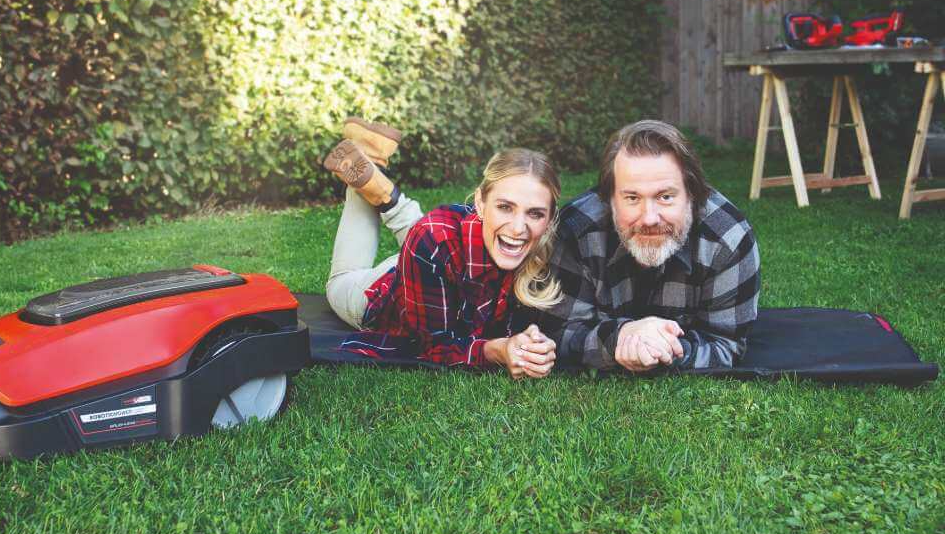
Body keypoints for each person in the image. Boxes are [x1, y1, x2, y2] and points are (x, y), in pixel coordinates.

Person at [322, 119, 561, 379]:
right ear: (480, 203)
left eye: (535, 213)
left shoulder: (545, 249)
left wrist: (533, 342)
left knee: (434, 239)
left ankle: (375, 169)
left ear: (549, 218)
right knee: (342, 280)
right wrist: (498, 349)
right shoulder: (433, 240)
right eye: (505, 207)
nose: (518, 228)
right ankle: (370, 164)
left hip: (437, 261)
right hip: (384, 293)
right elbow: (433, 347)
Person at [539, 119, 760, 373]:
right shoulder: (575, 231)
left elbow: (726, 345)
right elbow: (559, 333)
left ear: (692, 194)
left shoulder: (729, 238)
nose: (649, 218)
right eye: (632, 198)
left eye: (665, 197)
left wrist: (660, 350)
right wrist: (620, 337)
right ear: (609, 198)